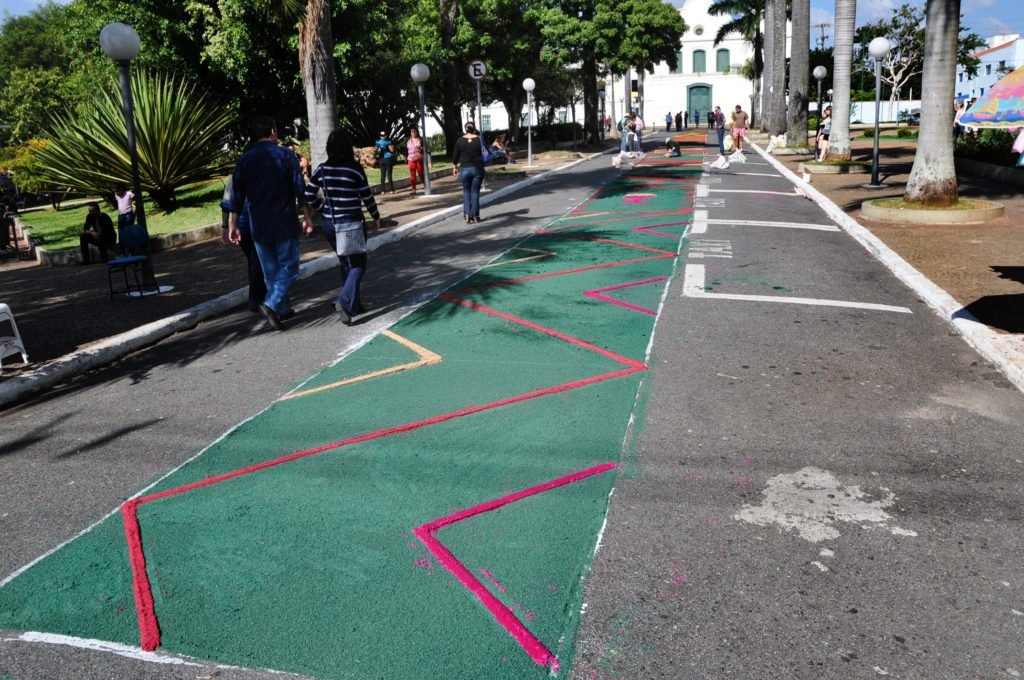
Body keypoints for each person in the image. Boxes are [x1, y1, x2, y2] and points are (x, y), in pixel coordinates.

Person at [229, 115, 313, 331]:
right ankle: (272, 303)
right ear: (272, 132)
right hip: (283, 220)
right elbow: (299, 189)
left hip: (258, 224)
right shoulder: (285, 155)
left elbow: (236, 196)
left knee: (271, 271)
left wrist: (233, 224)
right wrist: (307, 216)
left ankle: (283, 310)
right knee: (290, 266)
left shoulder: (245, 160)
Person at [305, 130, 381, 325]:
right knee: (358, 264)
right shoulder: (354, 169)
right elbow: (366, 196)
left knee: (346, 262)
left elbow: (308, 195)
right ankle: (345, 301)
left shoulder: (322, 169)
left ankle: (354, 304)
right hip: (352, 222)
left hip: (330, 223)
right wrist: (375, 216)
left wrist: (322, 209)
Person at [221, 176, 267, 314]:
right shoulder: (257, 176)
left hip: (241, 226)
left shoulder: (232, 180)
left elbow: (225, 204)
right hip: (255, 224)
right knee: (256, 261)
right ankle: (257, 300)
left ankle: (259, 298)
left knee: (253, 261)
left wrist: (225, 226)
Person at [451, 121, 485, 223]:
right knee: (475, 192)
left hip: (464, 169)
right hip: (477, 169)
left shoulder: (460, 141)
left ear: (465, 129)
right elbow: (485, 151)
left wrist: (454, 167)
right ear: (474, 129)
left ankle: (467, 214)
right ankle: (475, 215)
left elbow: (455, 155)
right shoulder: (479, 139)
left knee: (466, 192)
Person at [406, 128, 426, 194]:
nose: (413, 133)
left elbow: (424, 149)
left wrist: (421, 150)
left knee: (421, 173)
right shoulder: (408, 140)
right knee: (412, 174)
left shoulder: (420, 140)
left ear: (417, 132)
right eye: (412, 131)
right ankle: (413, 189)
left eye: (414, 131)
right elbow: (406, 150)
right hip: (411, 159)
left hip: (418, 159)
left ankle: (426, 185)